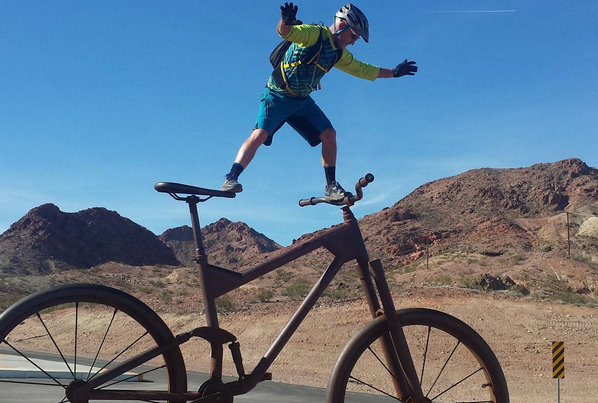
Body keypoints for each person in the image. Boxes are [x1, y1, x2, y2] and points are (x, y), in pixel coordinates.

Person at [222, 3, 417, 200]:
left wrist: (394, 73)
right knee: (260, 134)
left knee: (329, 134)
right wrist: (285, 21)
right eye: (354, 36)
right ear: (341, 25)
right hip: (277, 95)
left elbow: (362, 69)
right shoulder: (314, 34)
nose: (353, 42)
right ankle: (231, 178)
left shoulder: (338, 54)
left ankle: (331, 187)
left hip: (301, 101)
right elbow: (286, 33)